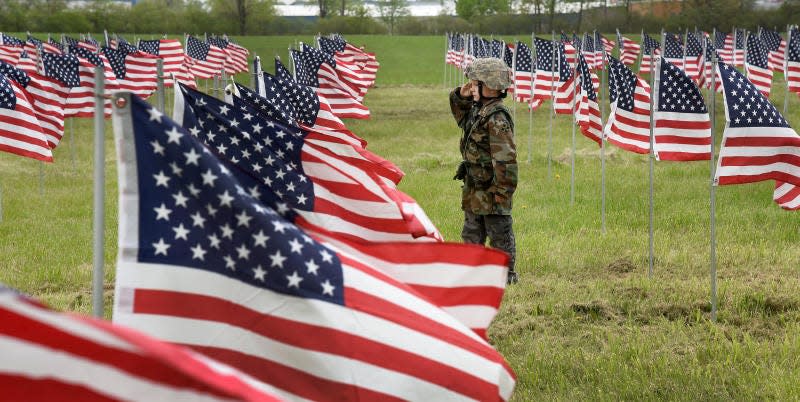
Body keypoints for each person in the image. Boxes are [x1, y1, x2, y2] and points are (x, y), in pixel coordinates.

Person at [449, 57, 519, 285]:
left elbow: (505, 159)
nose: (471, 86)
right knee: (471, 232)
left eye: (475, 82)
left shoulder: (497, 117)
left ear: (488, 86)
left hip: (492, 189)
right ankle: (473, 273)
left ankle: (505, 277)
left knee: (499, 234)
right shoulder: (479, 110)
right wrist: (462, 93)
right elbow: (460, 114)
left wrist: (502, 193)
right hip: (475, 188)